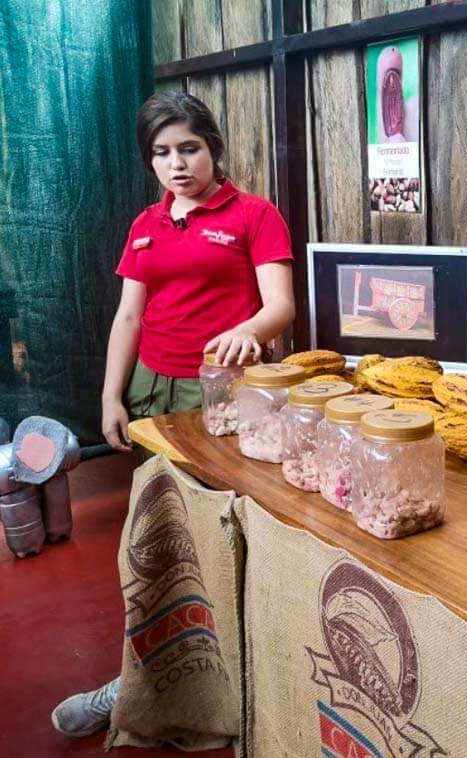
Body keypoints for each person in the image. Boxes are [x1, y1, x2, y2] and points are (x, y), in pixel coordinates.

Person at [50, 91, 295, 738]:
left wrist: (250, 330)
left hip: (222, 395)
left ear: (213, 147)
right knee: (156, 543)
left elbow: (280, 306)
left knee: (222, 538)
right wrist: (110, 395)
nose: (176, 163)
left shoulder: (254, 216)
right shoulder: (146, 225)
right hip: (151, 393)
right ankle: (142, 679)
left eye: (189, 148)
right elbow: (129, 315)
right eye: (161, 153)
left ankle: (243, 685)